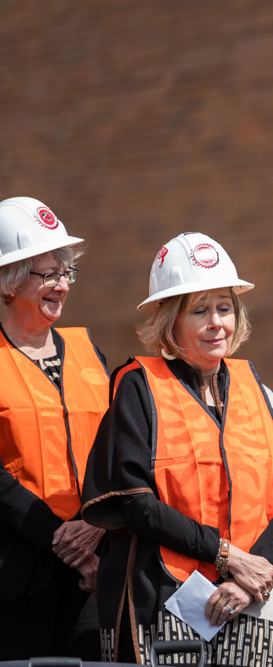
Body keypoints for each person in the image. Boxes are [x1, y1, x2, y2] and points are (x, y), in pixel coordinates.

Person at [82, 232, 273, 665]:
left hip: (253, 605)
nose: (217, 323)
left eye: (225, 308)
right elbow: (137, 504)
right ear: (170, 322)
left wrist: (250, 574)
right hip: (166, 605)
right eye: (199, 311)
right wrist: (227, 556)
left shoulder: (258, 391)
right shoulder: (139, 388)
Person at [0, 196, 107, 660]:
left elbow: (121, 453)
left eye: (65, 273)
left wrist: (95, 530)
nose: (62, 285)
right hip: (17, 575)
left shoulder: (90, 355)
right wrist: (60, 539)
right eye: (47, 274)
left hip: (94, 570)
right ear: (8, 282)